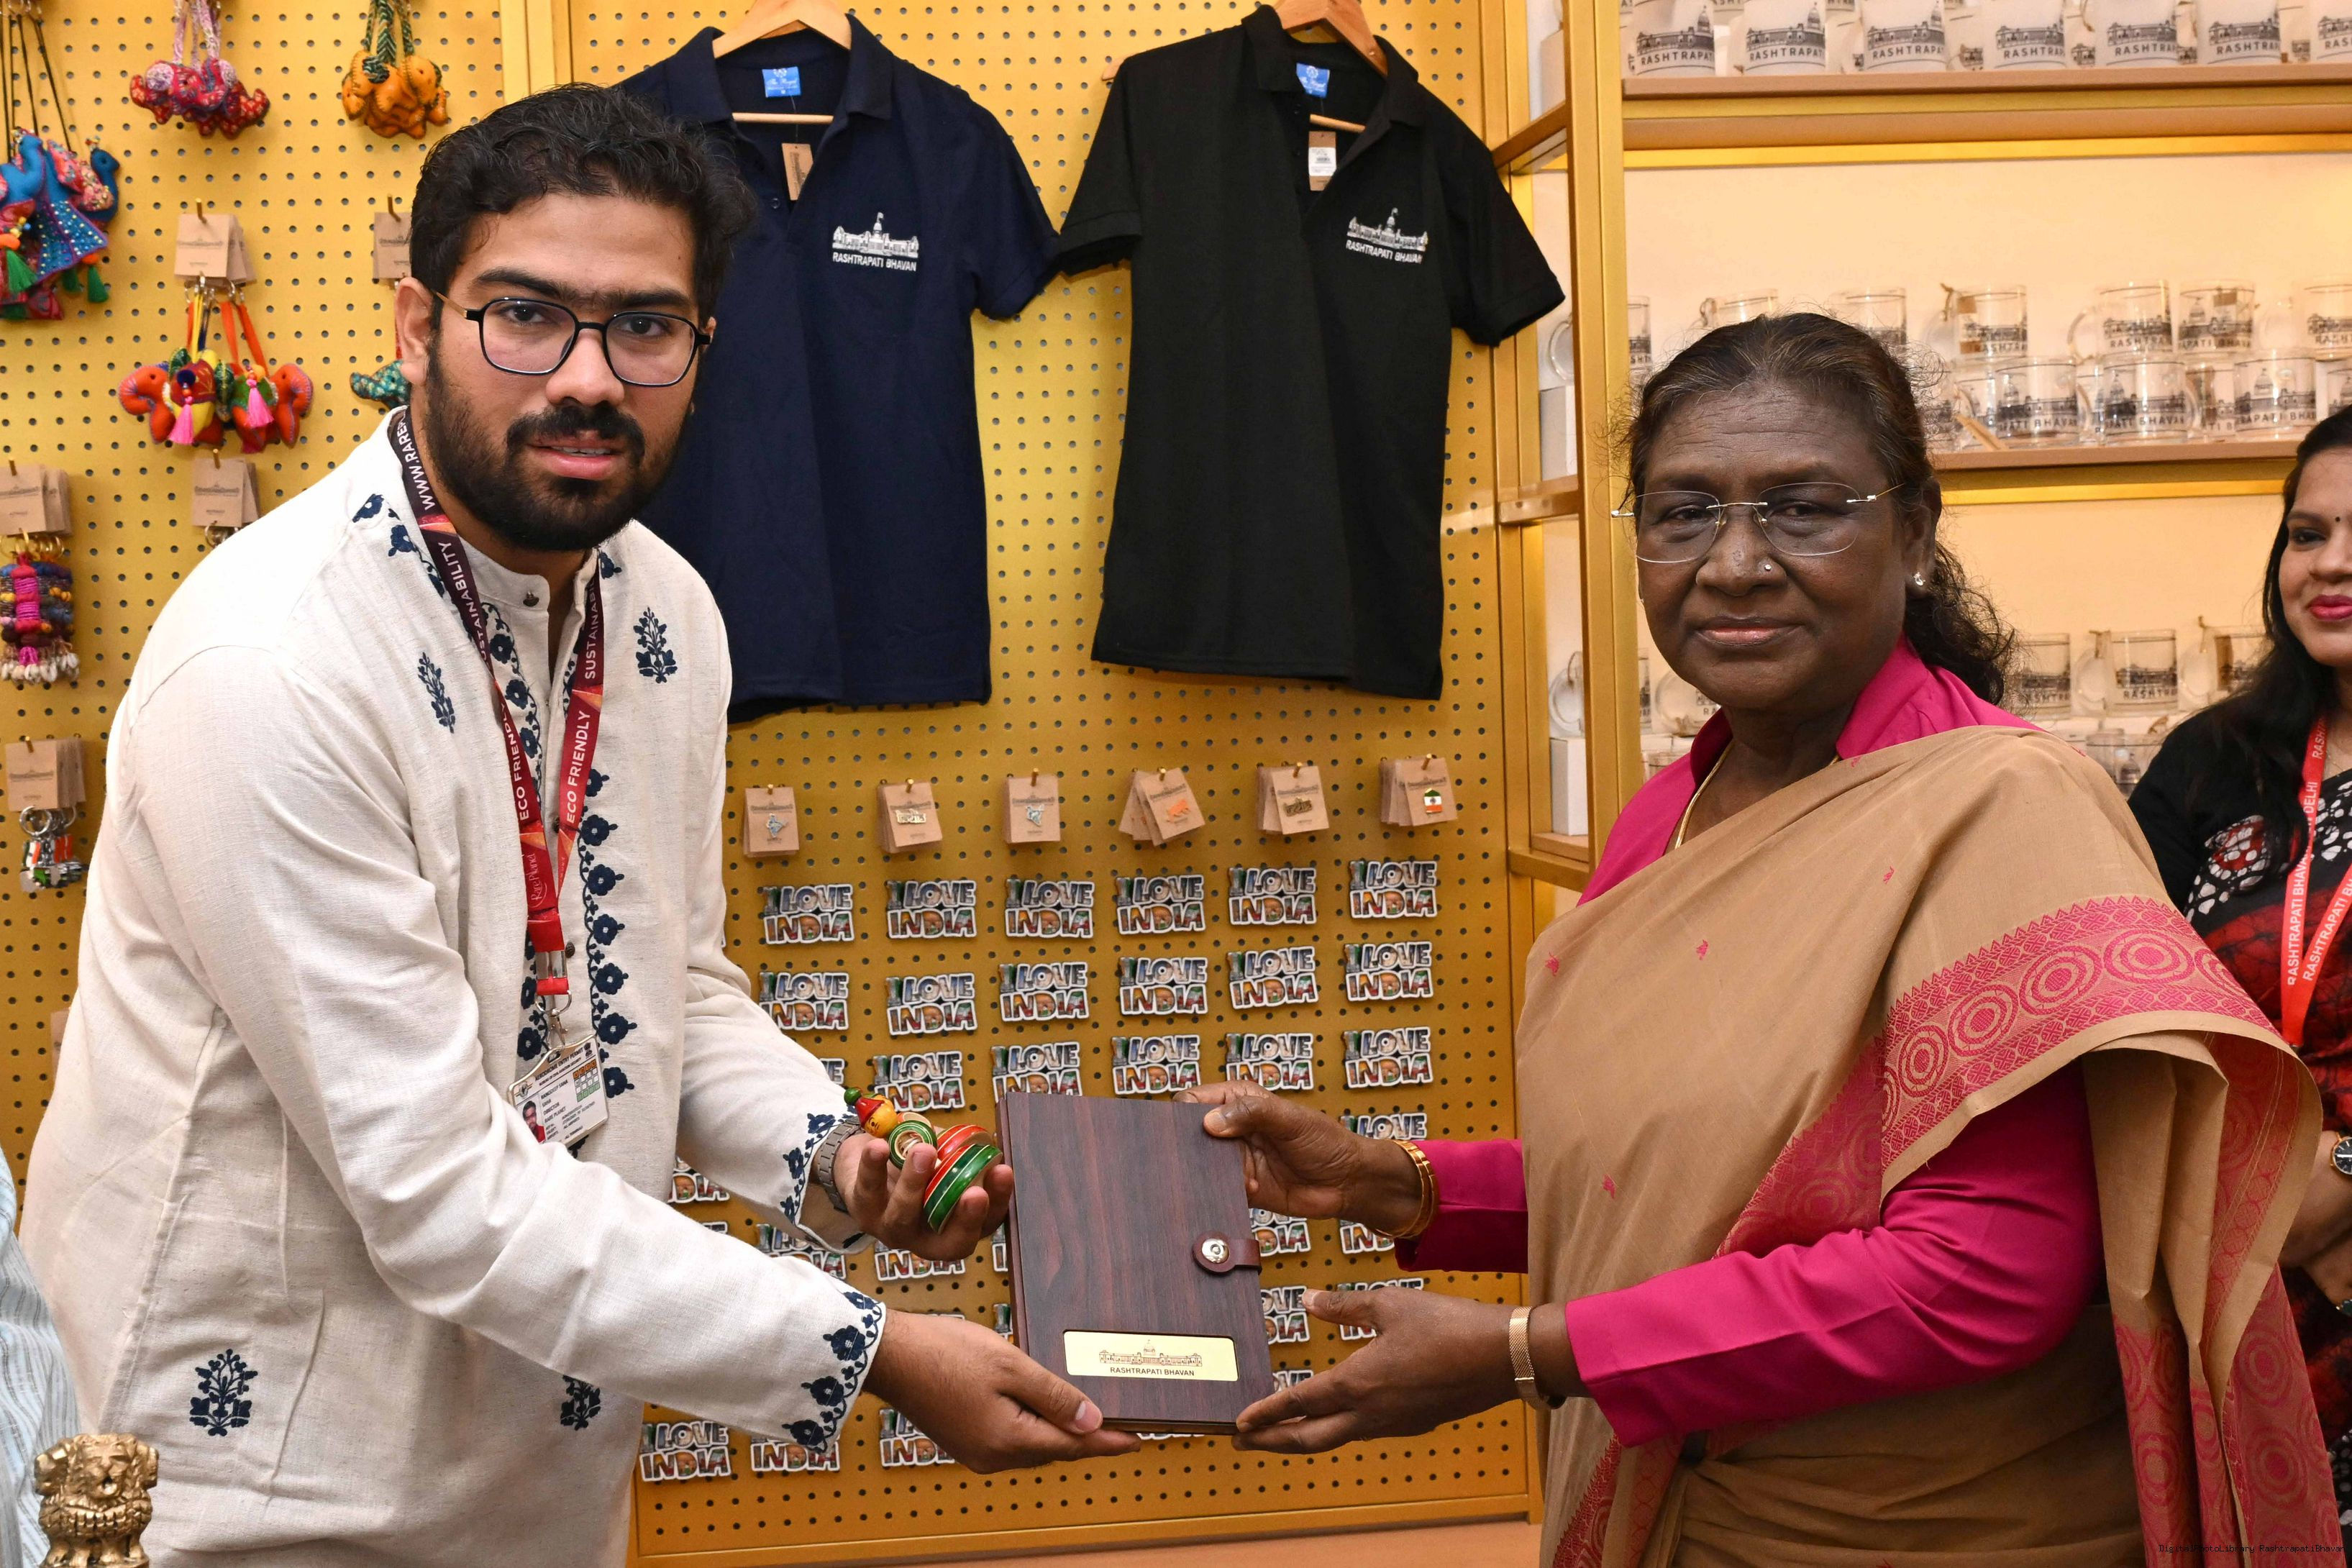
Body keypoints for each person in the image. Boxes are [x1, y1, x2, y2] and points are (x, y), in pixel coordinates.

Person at [22, 86, 1131, 1567]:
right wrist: (862, 1350)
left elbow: (669, 988)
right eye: (526, 316)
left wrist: (839, 1159)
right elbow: (433, 1187)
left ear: (701, 350)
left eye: (647, 327)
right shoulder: (273, 660)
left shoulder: (664, 610)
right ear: (417, 324)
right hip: (247, 1475)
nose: (590, 377)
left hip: (540, 1461)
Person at [1182, 313, 2337, 1564]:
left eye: (1803, 509)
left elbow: (1976, 1278)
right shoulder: (1667, 817)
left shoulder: (2005, 814)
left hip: (1923, 1531)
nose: (1733, 564)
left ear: (1914, 531)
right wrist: (1390, 1185)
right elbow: (1682, 1183)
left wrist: (1531, 1354)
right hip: (1687, 1505)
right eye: (1683, 513)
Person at [2131, 406, 2352, 1539]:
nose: (2330, 565)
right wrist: (2261, 1189)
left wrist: (2344, 1177)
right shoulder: (2211, 759)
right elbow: (2113, 991)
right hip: (2217, 1254)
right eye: (2306, 534)